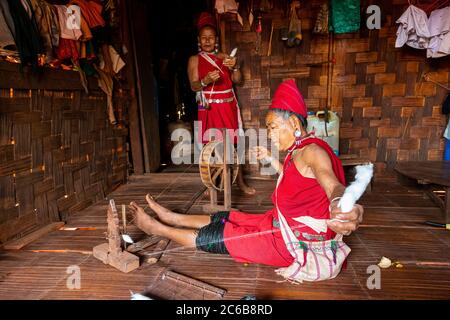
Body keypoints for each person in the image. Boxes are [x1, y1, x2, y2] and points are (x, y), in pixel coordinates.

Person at [129, 80, 364, 274]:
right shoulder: (300, 149)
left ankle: (158, 229)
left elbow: (331, 183)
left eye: (272, 127)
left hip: (292, 243)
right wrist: (272, 160)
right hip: (281, 223)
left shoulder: (313, 151)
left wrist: (340, 204)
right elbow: (298, 181)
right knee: (232, 217)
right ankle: (174, 218)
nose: (269, 134)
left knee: (222, 236)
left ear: (293, 123)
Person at [187, 12, 255, 195]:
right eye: (204, 38)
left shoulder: (225, 57)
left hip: (227, 106)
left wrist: (235, 67)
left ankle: (240, 182)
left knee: (235, 143)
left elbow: (238, 80)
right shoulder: (195, 60)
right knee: (210, 145)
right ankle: (211, 185)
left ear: (216, 39)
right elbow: (194, 86)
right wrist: (205, 80)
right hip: (209, 108)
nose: (207, 41)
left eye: (211, 38)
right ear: (199, 40)